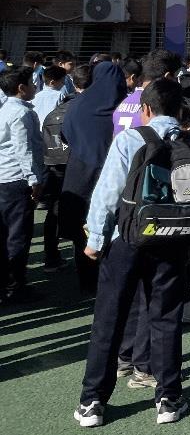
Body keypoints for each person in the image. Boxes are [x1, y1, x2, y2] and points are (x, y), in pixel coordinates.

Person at [75, 78, 190, 427]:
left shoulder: (129, 139)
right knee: (166, 318)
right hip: (174, 240)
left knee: (109, 318)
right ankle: (169, 398)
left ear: (145, 109)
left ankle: (92, 402)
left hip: (128, 238)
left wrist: (95, 238)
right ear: (180, 110)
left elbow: (108, 193)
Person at [61, 60, 127, 293]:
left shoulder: (78, 104)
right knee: (115, 227)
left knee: (83, 231)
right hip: (114, 175)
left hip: (80, 172)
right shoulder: (124, 107)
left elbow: (65, 133)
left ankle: (87, 279)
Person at [39, 63, 90, 273]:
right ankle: (85, 260)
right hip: (78, 166)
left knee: (54, 211)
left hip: (53, 164)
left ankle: (51, 257)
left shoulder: (58, 108)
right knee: (82, 213)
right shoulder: (87, 108)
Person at [0, 68, 45, 303]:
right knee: (18, 235)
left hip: (3, 177)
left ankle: (7, 282)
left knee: (5, 233)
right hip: (16, 179)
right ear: (21, 88)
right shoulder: (22, 113)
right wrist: (34, 179)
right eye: (31, 83)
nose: (35, 86)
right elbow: (24, 149)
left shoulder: (4, 109)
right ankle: (15, 285)